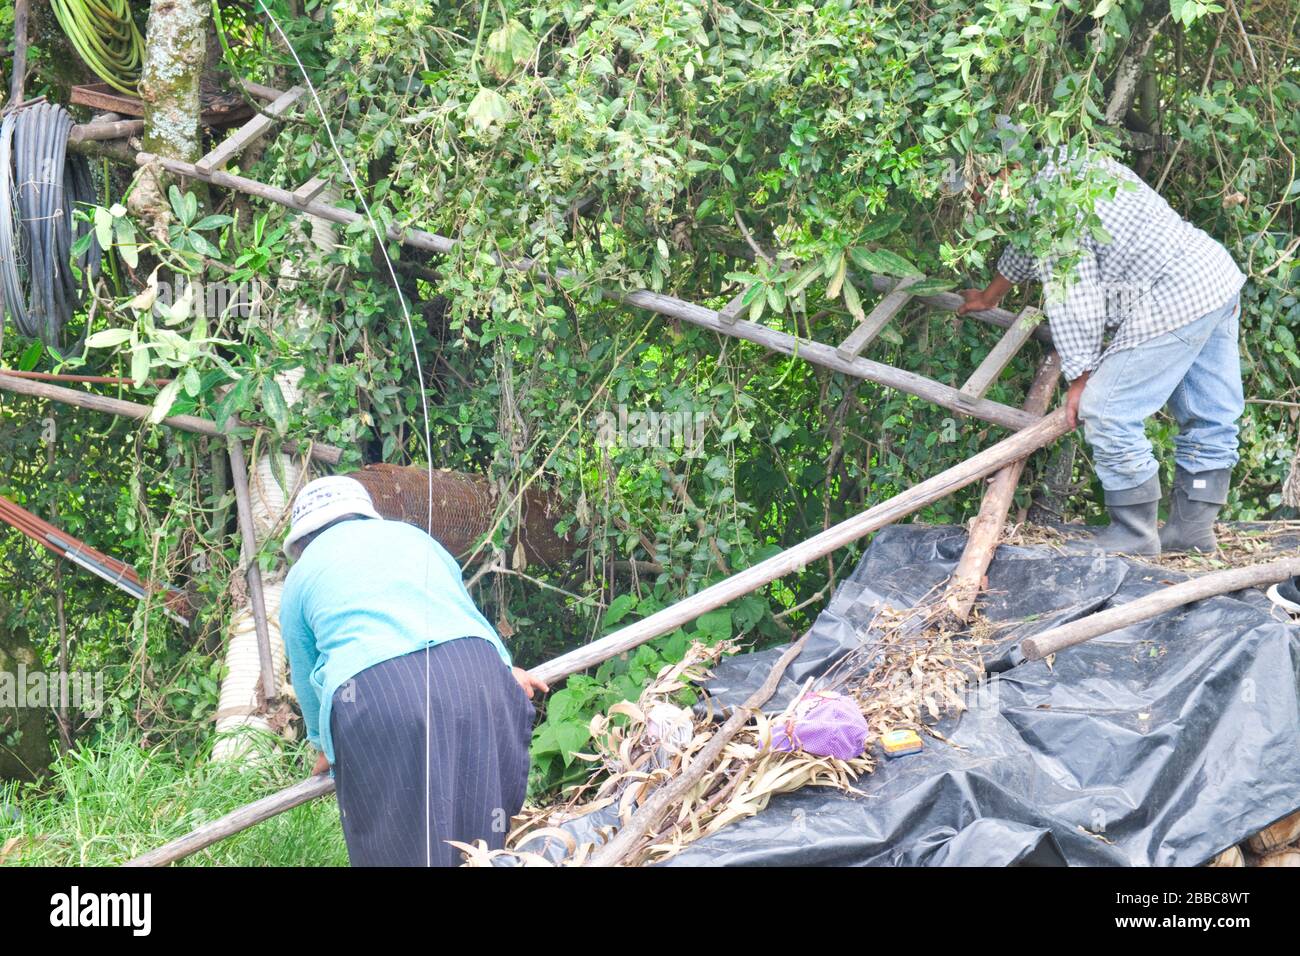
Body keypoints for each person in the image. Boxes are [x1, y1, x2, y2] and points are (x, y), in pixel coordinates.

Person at [959, 148, 1246, 555]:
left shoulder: (1049, 208)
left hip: (1173, 295)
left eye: (978, 190)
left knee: (1106, 410)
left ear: (1002, 170)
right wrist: (990, 297)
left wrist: (1081, 379)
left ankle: (1133, 532)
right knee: (1210, 415)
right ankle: (1192, 532)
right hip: (1212, 277)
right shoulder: (1070, 161)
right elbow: (1028, 246)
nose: (979, 202)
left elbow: (1075, 297)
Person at [278, 475, 547, 866]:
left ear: (301, 542)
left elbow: (305, 674)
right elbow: (462, 610)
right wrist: (505, 669)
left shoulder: (300, 577)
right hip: (474, 669)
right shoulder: (413, 537)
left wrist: (323, 746)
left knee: (399, 836)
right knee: (478, 831)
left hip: (378, 691)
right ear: (364, 515)